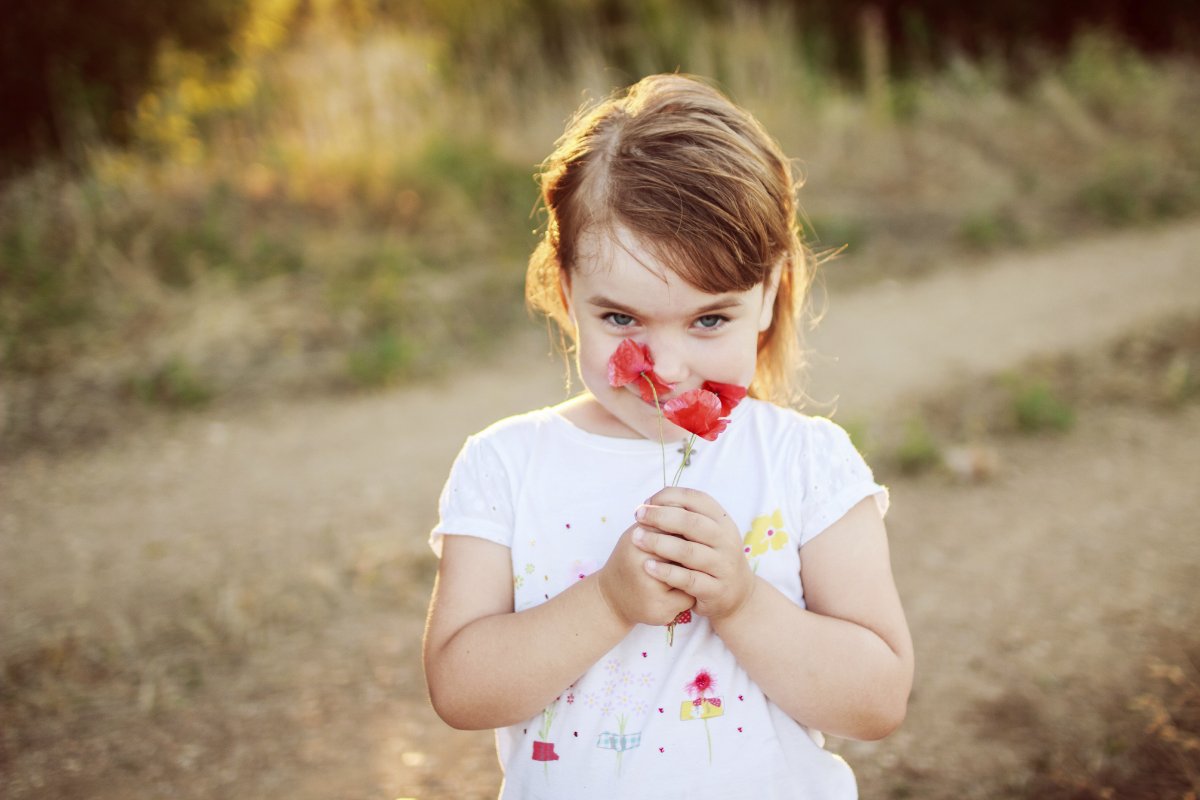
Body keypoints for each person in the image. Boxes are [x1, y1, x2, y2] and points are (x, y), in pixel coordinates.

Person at [423, 73, 913, 799]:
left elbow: (877, 702)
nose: (668, 368)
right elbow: (459, 691)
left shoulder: (806, 463)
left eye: (709, 319)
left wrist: (740, 601)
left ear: (769, 294)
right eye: (621, 319)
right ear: (566, 291)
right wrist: (608, 602)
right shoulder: (505, 466)